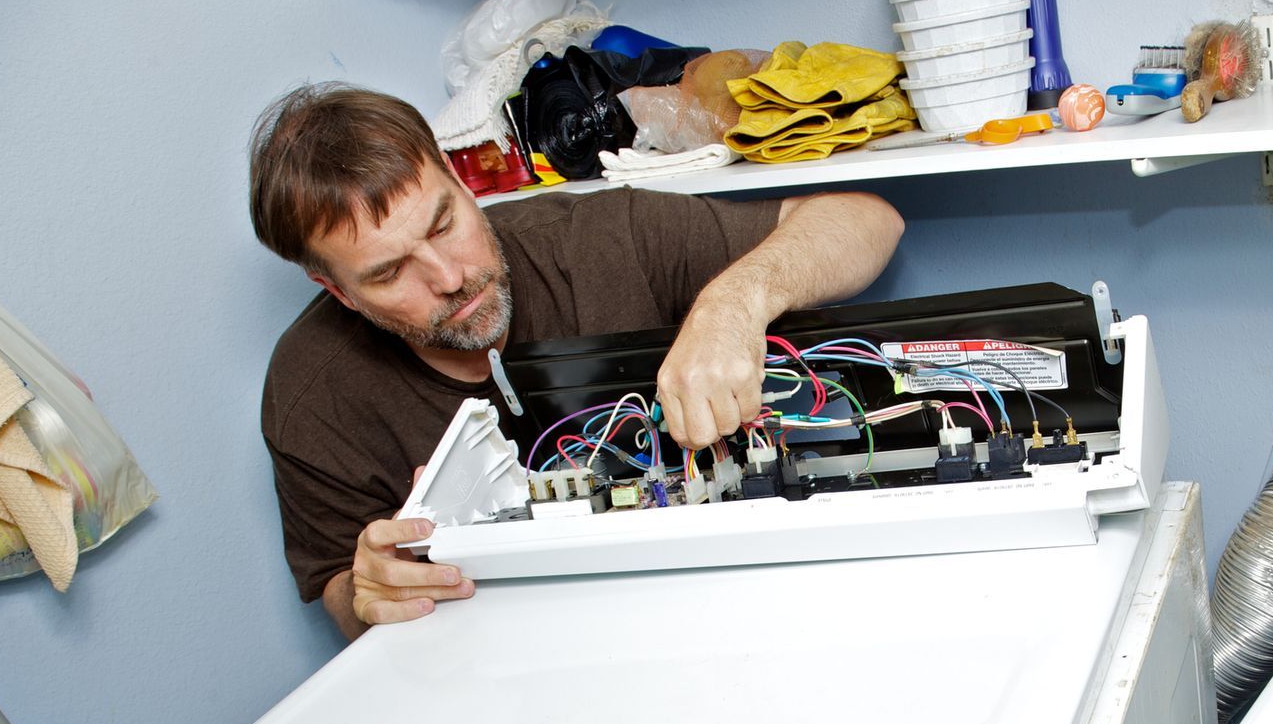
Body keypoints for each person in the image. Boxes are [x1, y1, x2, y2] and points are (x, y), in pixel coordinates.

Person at [249, 83, 903, 639]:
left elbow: (868, 221)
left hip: (727, 613)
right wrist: (370, 587)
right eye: (390, 271)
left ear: (458, 179)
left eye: (443, 223)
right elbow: (341, 589)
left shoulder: (597, 238)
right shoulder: (312, 391)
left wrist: (735, 302)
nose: (448, 278)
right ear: (336, 291)